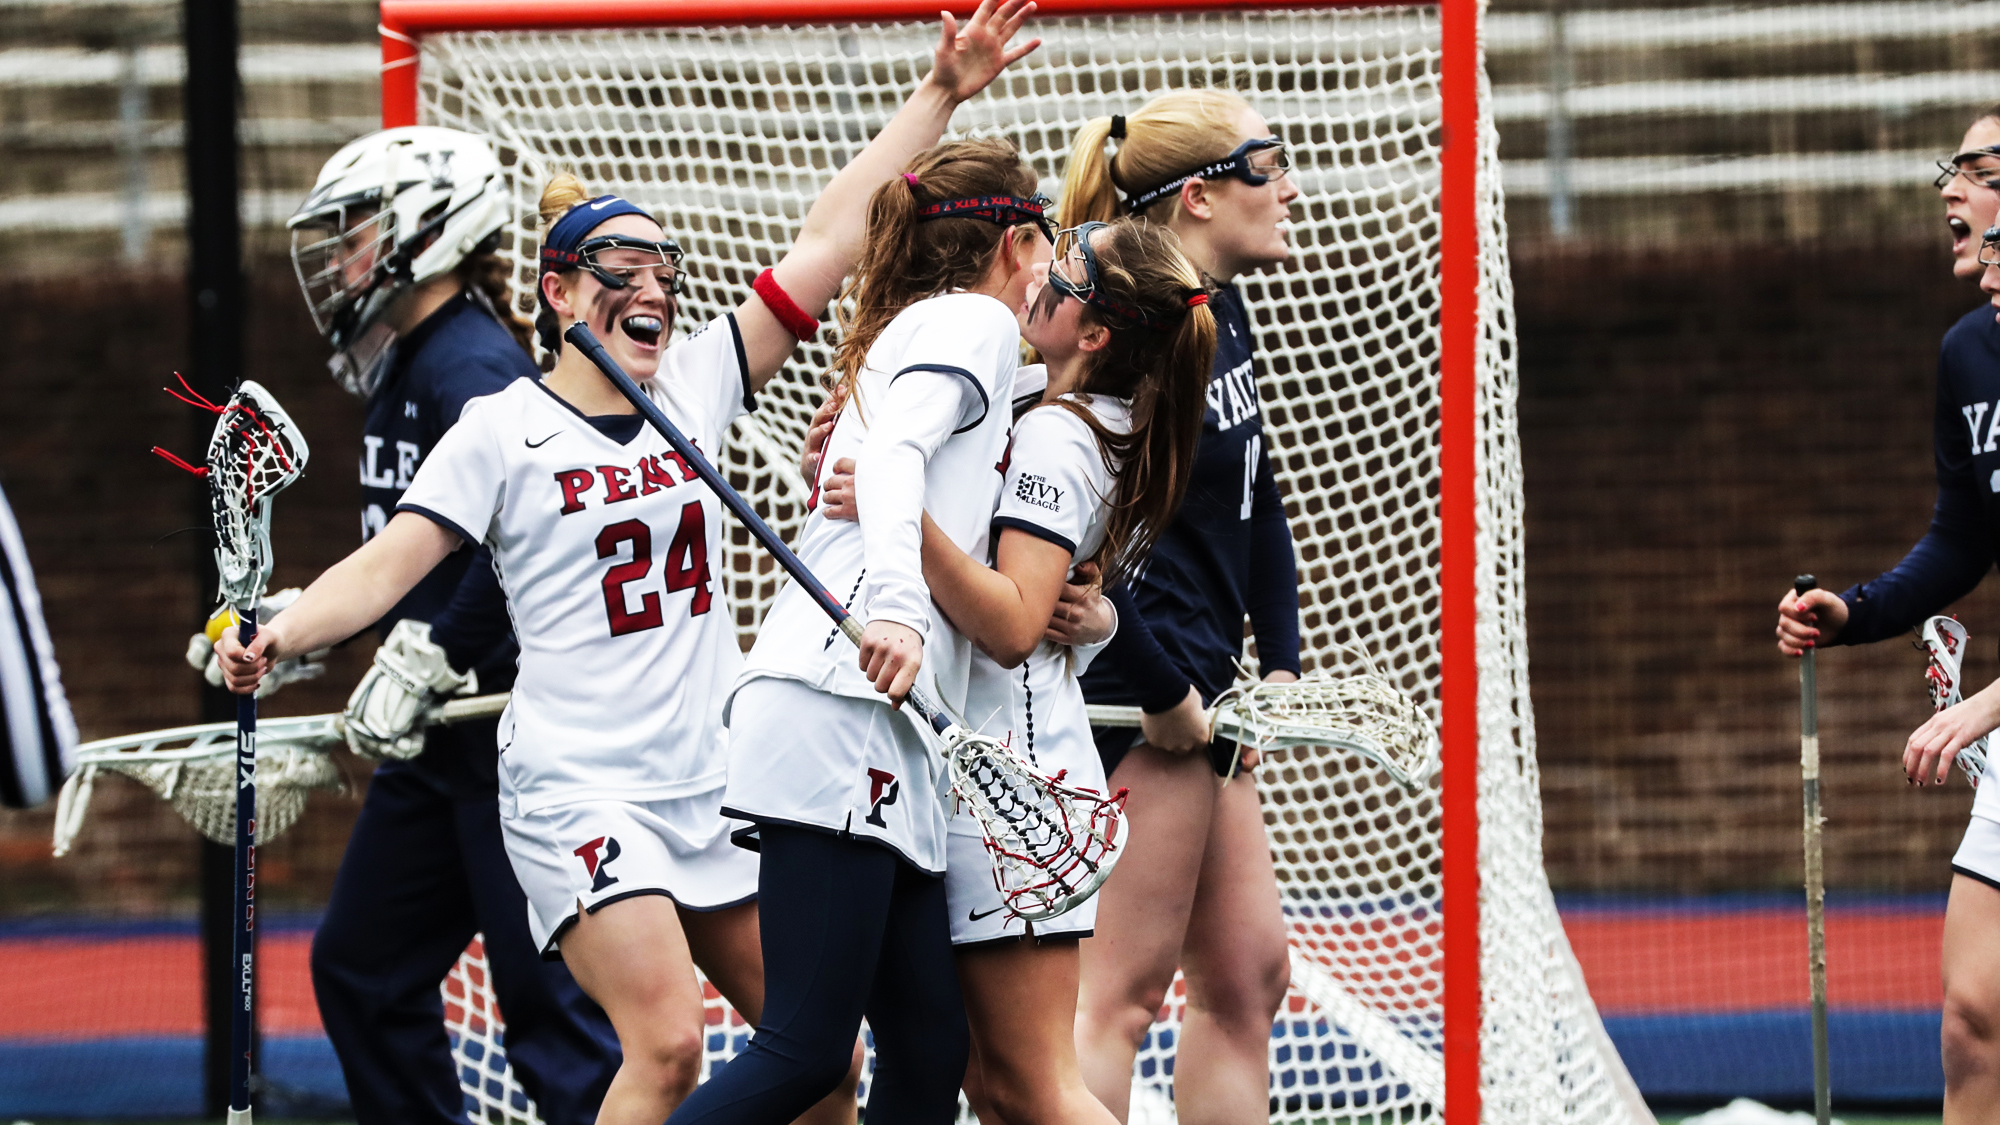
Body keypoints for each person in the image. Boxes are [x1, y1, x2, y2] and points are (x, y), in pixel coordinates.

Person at [216, 10, 1037, 1122]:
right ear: (558, 293)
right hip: (579, 788)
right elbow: (383, 569)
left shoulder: (697, 383)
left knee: (823, 1069)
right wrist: (279, 630)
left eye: (664, 266)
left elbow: (826, 241)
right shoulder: (503, 429)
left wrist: (940, 94)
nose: (649, 286)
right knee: (663, 1050)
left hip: (713, 781)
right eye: (618, 265)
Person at [671, 137, 1056, 1125]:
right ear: (1013, 242)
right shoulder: (970, 319)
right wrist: (893, 606)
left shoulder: (940, 336)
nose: (1053, 256)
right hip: (841, 701)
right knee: (805, 1050)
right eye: (1046, 234)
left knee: (927, 1053)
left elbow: (895, 461)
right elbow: (891, 458)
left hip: (874, 720)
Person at [817, 218, 1217, 1125]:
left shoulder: (1058, 440)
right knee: (994, 1089)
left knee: (1036, 1085)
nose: (1040, 272)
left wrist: (900, 511)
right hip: (999, 775)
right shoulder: (1053, 407)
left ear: (1098, 333)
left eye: (1065, 270)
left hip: (1017, 779)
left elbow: (1011, 623)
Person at [280, 125, 621, 1125]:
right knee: (363, 972)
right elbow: (405, 555)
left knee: (553, 1018)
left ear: (427, 229)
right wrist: (294, 627)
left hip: (502, 733)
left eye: (356, 232)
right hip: (436, 740)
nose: (340, 259)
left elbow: (521, 545)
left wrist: (437, 650)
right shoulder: (408, 359)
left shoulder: (471, 364)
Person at [1058, 91, 1304, 1123]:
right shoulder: (1129, 318)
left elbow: (1257, 493)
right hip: (1134, 702)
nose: (1289, 187)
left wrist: (1280, 657)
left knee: (1247, 977)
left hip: (1204, 694)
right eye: (1267, 165)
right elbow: (1068, 531)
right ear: (1197, 196)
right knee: (1113, 997)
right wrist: (1161, 688)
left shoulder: (1211, 306)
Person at [1776, 104, 2000, 1125]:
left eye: (1974, 168)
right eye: (1943, 168)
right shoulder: (1967, 354)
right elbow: (1962, 534)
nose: (1947, 190)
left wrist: (1982, 708)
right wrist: (1852, 613)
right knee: (1970, 1018)